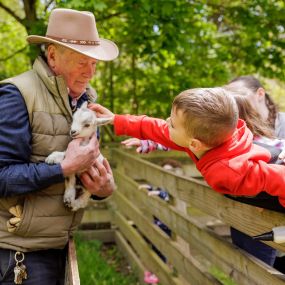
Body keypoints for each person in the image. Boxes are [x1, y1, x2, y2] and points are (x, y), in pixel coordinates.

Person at [0, 8, 118, 285]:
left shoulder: (83, 103)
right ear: (52, 55)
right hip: (18, 255)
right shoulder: (15, 95)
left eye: (95, 64)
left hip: (57, 245)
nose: (90, 72)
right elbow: (2, 177)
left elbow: (82, 171)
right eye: (82, 62)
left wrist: (102, 189)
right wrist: (65, 167)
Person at [90, 87, 285, 207]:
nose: (166, 121)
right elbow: (156, 128)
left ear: (194, 144)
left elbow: (278, 179)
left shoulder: (229, 169)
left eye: (172, 123)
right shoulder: (205, 142)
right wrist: (116, 120)